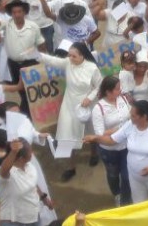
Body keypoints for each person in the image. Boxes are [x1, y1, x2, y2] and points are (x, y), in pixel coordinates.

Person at [85, 100, 148, 203]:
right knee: (139, 204)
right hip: (135, 178)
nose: (130, 118)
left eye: (133, 116)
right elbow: (112, 140)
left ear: (144, 117)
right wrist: (95, 138)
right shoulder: (129, 126)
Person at [37, 42, 102, 181]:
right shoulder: (68, 63)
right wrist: (36, 54)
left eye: (74, 56)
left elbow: (99, 86)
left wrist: (89, 98)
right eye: (69, 55)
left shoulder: (92, 68)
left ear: (82, 55)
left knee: (90, 131)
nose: (71, 58)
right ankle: (70, 167)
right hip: (69, 103)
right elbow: (53, 60)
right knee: (66, 135)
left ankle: (94, 153)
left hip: (87, 104)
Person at [0, 138, 53, 226]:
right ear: (21, 158)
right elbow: (3, 171)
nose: (33, 153)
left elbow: (33, 186)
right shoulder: (6, 174)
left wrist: (44, 199)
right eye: (30, 151)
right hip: (14, 224)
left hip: (35, 218)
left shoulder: (30, 167)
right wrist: (13, 152)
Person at [91, 75, 132, 206]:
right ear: (108, 92)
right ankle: (117, 194)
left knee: (126, 176)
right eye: (117, 89)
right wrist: (122, 128)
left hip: (126, 146)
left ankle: (126, 199)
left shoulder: (123, 99)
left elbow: (132, 116)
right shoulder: (98, 108)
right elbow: (100, 134)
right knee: (113, 174)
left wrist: (118, 129)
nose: (120, 90)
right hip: (109, 150)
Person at [1, 0, 46, 116]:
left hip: (30, 63)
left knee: (32, 91)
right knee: (21, 90)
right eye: (14, 12)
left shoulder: (33, 26)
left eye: (19, 12)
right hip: (13, 64)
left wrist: (44, 62)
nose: (17, 15)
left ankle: (27, 114)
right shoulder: (7, 25)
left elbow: (41, 44)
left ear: (24, 12)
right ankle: (28, 113)